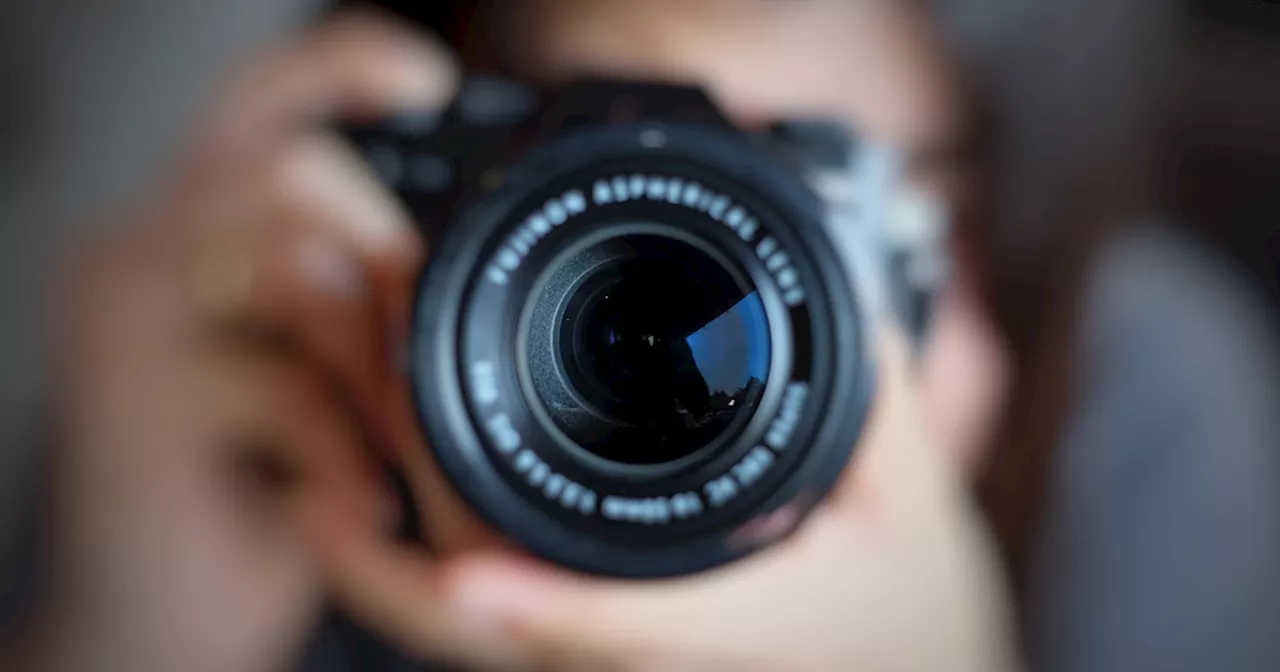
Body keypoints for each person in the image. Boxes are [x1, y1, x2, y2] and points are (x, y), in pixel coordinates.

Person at [4, 1, 1278, 671]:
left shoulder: (1152, 426)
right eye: (601, 160)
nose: (695, 338)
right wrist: (120, 646)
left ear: (1003, 253)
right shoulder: (294, 406)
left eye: (825, 197)